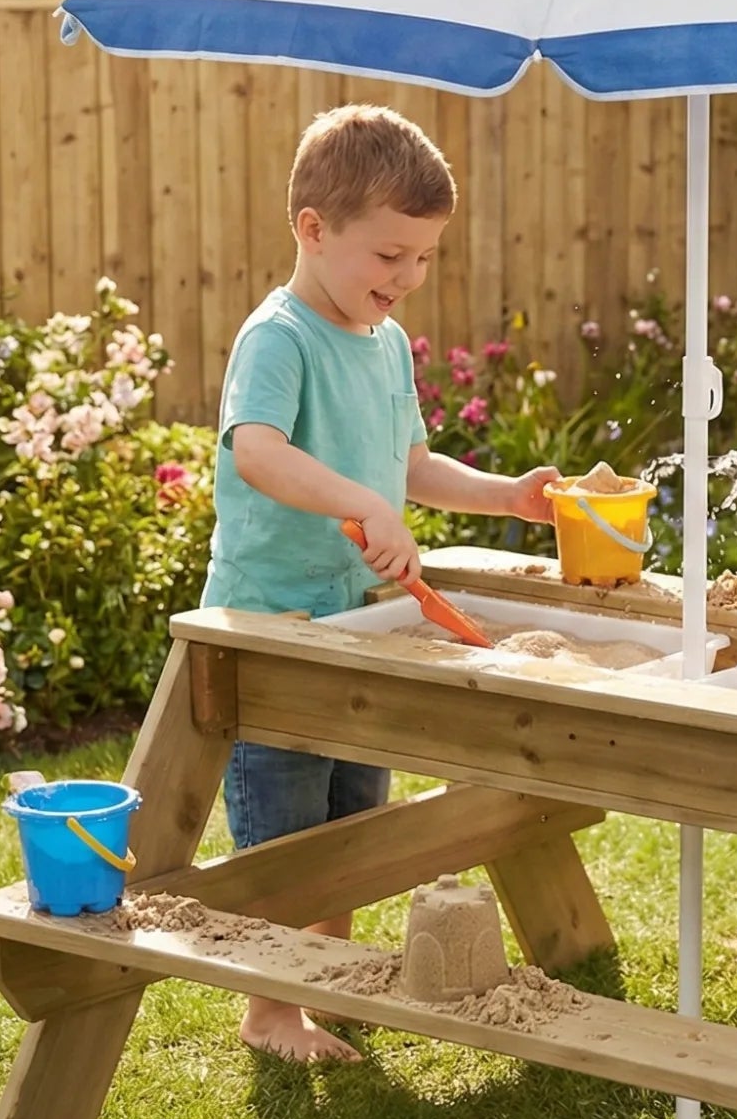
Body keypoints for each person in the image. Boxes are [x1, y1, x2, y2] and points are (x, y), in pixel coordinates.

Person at [205, 104, 558, 1063]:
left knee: (353, 817)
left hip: (360, 623)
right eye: (389, 256)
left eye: (423, 259)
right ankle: (270, 1014)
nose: (405, 280)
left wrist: (509, 498)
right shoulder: (278, 338)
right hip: (273, 624)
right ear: (313, 231)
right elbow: (259, 455)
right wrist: (360, 502)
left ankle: (329, 980)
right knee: (283, 834)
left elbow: (410, 465)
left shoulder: (386, 344)